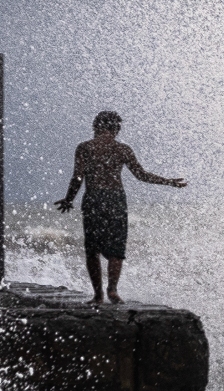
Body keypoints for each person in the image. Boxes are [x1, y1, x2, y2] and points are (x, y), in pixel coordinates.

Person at [54, 111, 187, 304]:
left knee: (93, 249)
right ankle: (113, 291)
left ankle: (98, 295)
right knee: (116, 248)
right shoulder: (122, 149)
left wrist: (69, 199)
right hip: (116, 199)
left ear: (95, 126)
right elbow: (141, 175)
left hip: (93, 198)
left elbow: (78, 177)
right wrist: (169, 182)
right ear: (116, 129)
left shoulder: (85, 147)